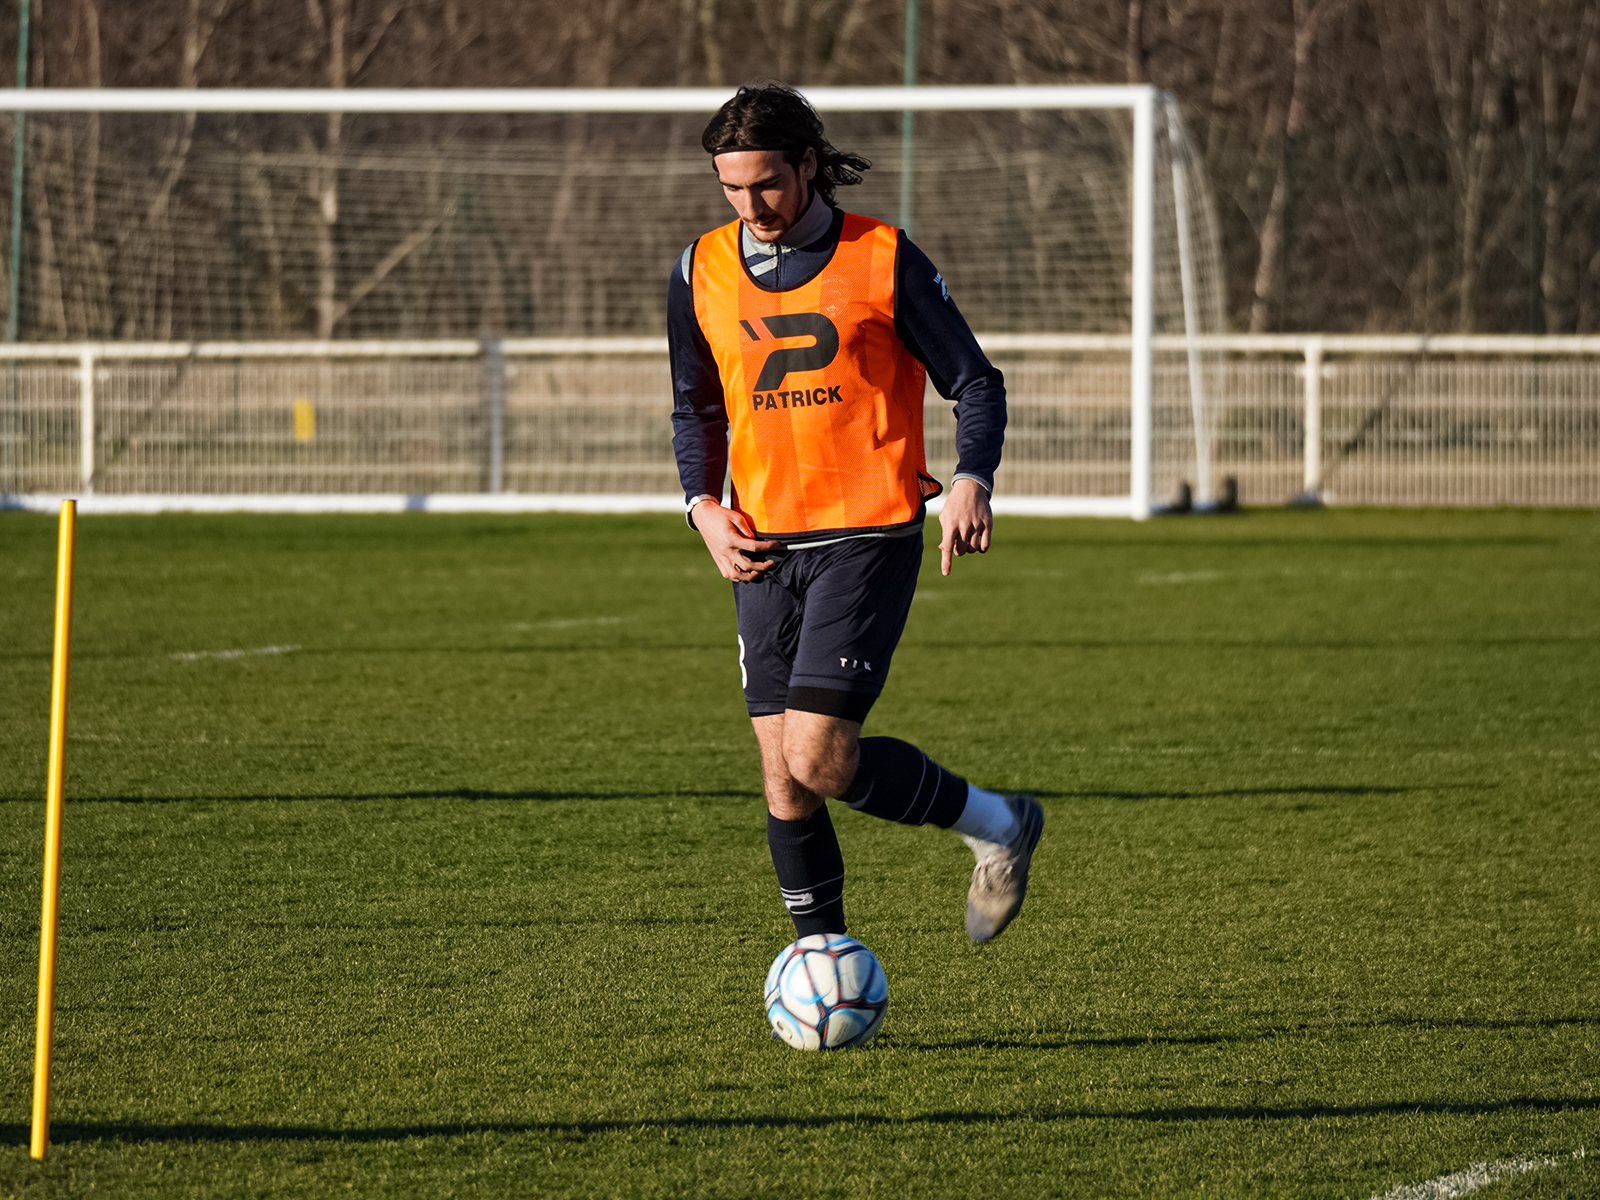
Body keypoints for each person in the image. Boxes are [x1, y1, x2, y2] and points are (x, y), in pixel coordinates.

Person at [667, 83, 1043, 946]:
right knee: (783, 779)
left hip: (864, 532)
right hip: (761, 542)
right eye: (730, 188)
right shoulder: (700, 269)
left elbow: (975, 382)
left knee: (821, 757)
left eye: (765, 183)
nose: (749, 205)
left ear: (807, 165)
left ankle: (998, 823)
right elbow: (696, 407)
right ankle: (823, 958)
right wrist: (702, 508)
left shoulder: (881, 257)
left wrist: (971, 479)